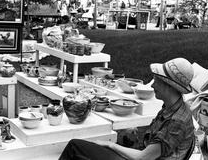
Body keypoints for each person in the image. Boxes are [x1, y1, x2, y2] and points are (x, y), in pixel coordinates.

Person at [59, 58, 195, 160]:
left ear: (169, 86)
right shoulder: (172, 108)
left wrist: (111, 145)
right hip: (141, 154)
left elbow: (143, 157)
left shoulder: (178, 120)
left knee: (74, 147)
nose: (153, 86)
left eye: (157, 81)